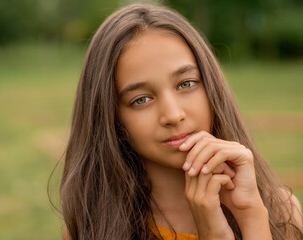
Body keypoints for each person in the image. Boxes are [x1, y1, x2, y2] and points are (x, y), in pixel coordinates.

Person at [58, 3, 303, 239]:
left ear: (211, 86)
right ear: (111, 117)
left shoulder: (280, 212)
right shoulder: (93, 227)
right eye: (141, 99)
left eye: (186, 84)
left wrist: (251, 217)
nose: (173, 115)